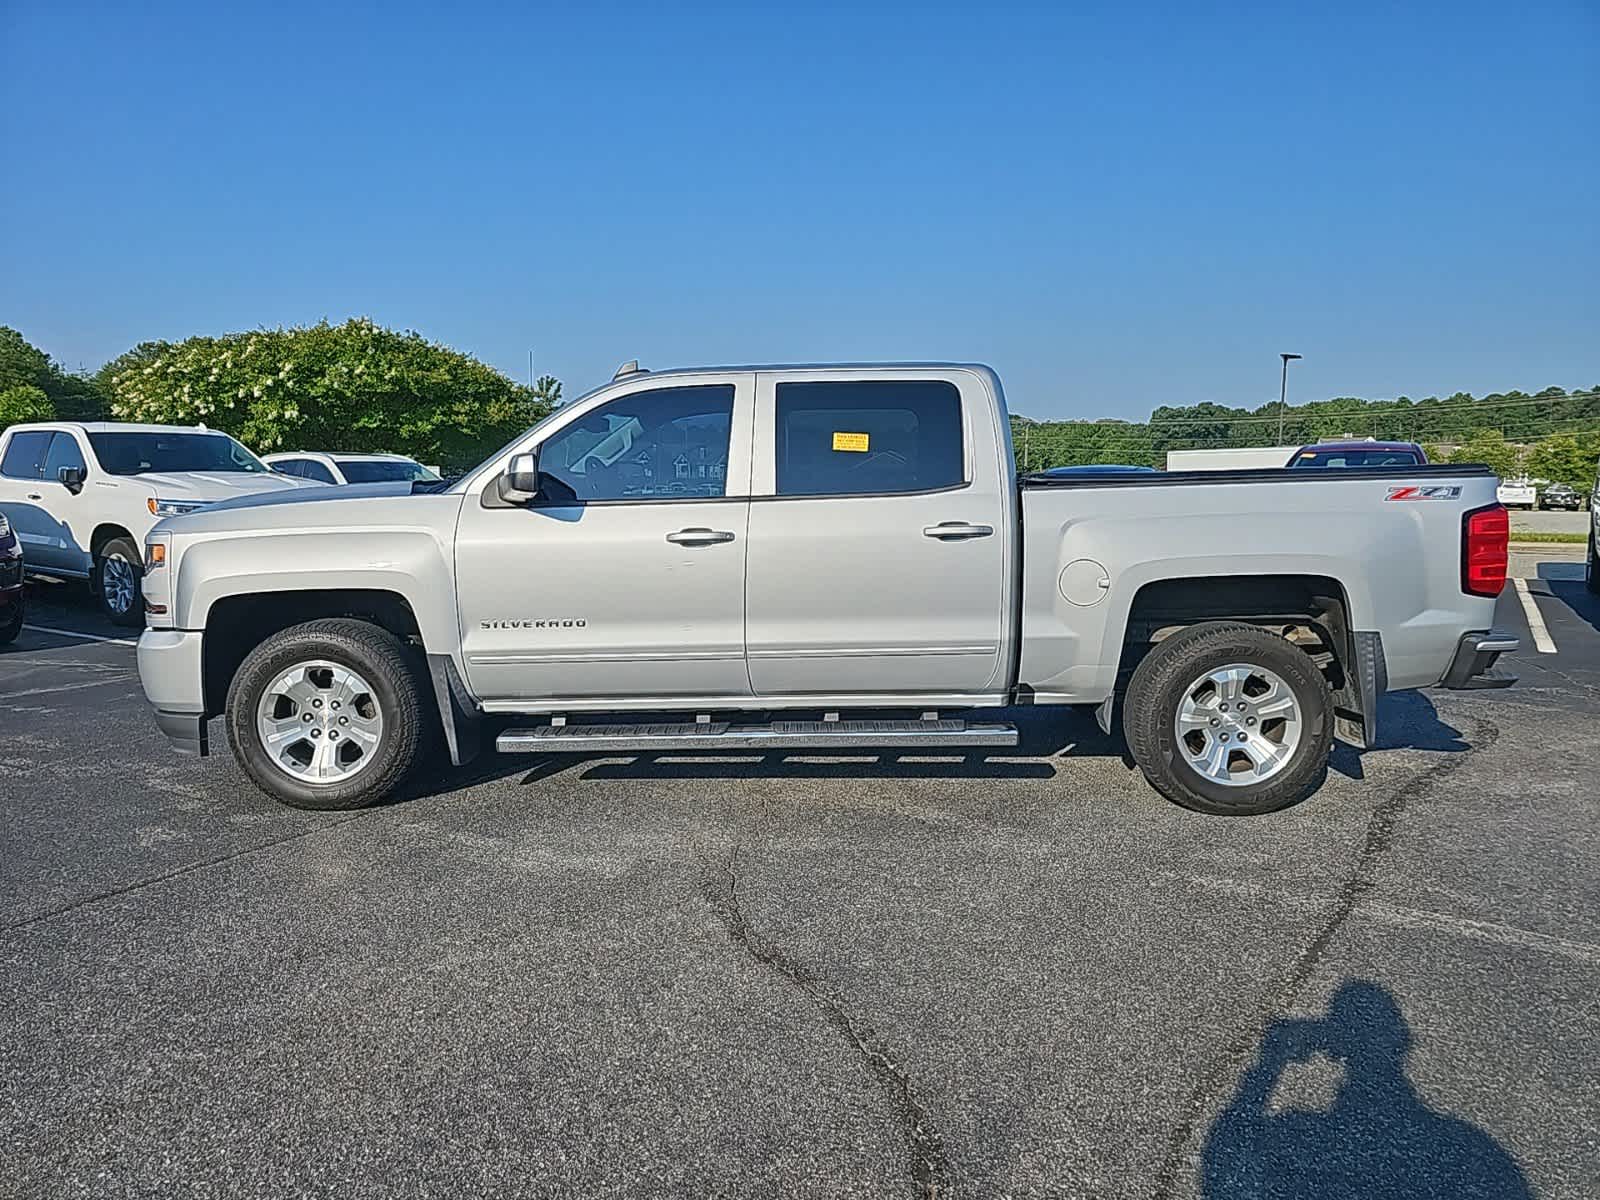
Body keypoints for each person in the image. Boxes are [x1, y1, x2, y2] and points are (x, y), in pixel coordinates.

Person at [1202, 981, 1531, 1200]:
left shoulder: (1299, 1135)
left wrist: (1270, 1062)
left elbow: (1225, 1149)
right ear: (1402, 1040)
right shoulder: (1468, 1149)